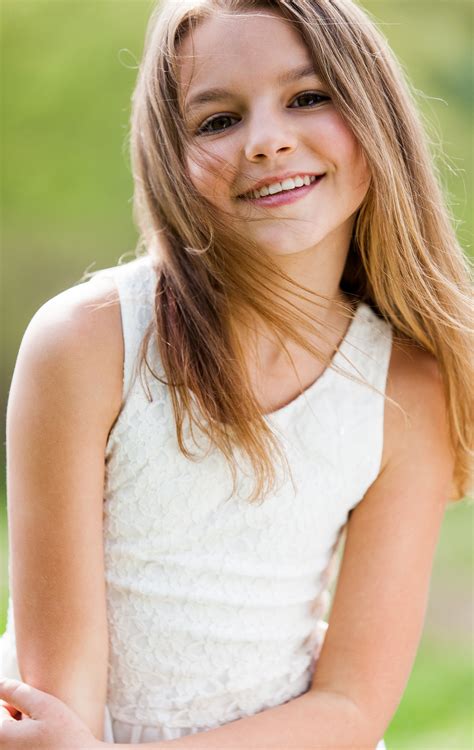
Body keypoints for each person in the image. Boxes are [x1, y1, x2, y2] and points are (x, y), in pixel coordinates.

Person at [0, 0, 472, 747]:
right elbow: (59, 698)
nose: (267, 142)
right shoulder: (86, 344)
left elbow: (351, 706)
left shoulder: (409, 388)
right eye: (217, 120)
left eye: (308, 97)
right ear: (171, 159)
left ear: (375, 116)